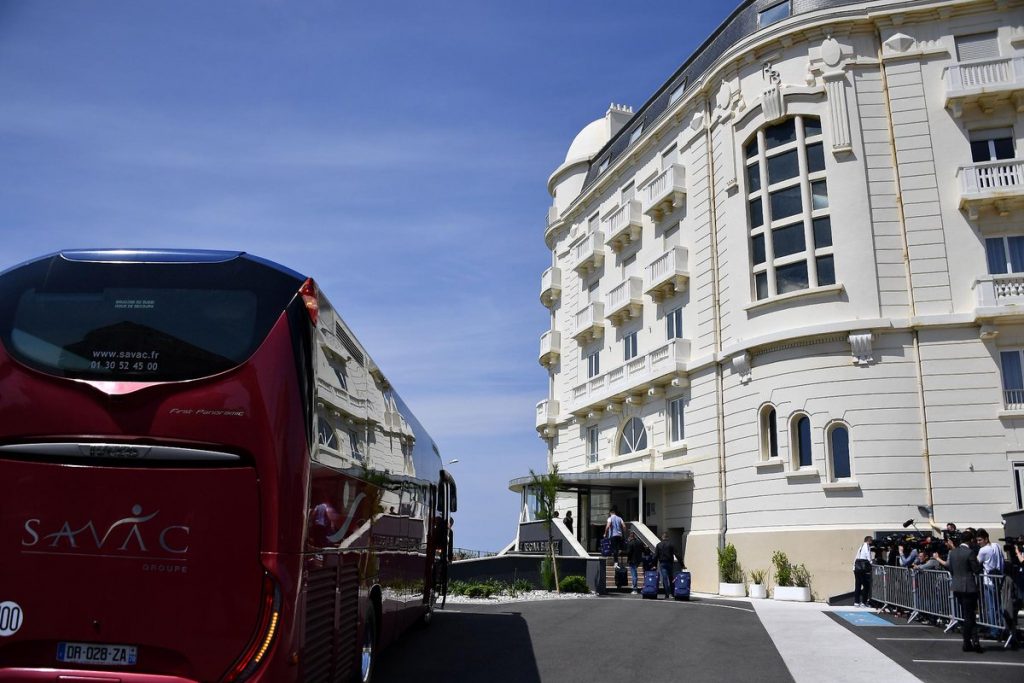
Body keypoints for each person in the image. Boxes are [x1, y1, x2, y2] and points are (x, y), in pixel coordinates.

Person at [948, 529, 984, 653]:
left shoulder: (952, 553)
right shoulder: (970, 552)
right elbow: (976, 569)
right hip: (968, 587)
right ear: (970, 540)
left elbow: (951, 569)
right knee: (969, 616)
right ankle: (967, 641)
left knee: (968, 615)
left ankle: (974, 641)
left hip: (957, 586)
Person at [976, 529, 1004, 638]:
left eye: (980, 540)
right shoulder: (997, 546)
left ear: (986, 539)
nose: (978, 542)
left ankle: (994, 631)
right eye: (977, 540)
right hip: (999, 578)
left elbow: (976, 563)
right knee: (998, 605)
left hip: (988, 580)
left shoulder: (983, 550)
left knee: (991, 607)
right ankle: (1001, 628)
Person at [654, 531, 676, 600]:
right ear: (668, 537)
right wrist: (682, 564)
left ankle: (667, 594)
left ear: (662, 537)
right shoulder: (671, 544)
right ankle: (672, 593)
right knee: (671, 578)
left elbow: (656, 556)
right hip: (670, 563)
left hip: (662, 563)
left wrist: (654, 564)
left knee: (664, 578)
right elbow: (677, 554)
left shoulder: (658, 545)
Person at [853, 536, 872, 607]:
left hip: (857, 568)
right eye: (871, 541)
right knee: (866, 585)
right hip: (863, 568)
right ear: (868, 541)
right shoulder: (867, 546)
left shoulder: (860, 547)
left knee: (858, 585)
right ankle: (864, 602)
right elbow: (868, 556)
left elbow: (857, 556)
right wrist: (871, 563)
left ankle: (856, 602)